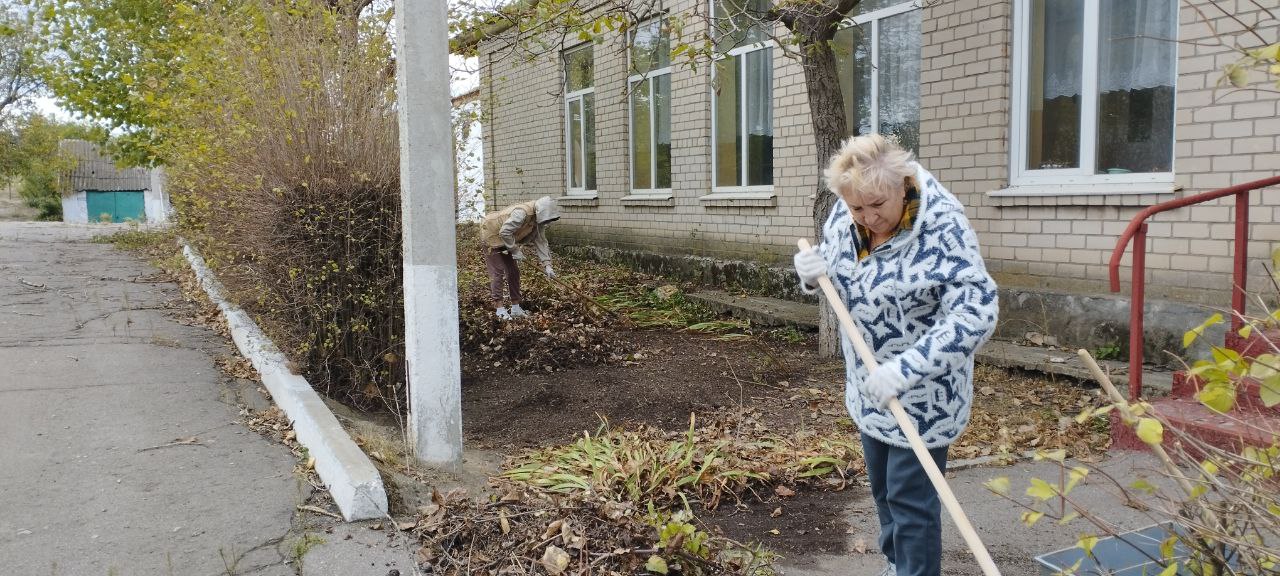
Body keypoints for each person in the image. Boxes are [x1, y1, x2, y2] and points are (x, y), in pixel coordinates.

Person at [792, 134, 998, 576]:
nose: (868, 218)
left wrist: (908, 369)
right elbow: (840, 266)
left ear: (903, 185)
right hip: (869, 385)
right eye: (856, 209)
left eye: (877, 206)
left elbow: (976, 311)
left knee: (911, 501)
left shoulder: (943, 227)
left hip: (924, 395)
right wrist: (813, 273)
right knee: (884, 491)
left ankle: (914, 570)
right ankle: (895, 564)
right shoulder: (849, 208)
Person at [480, 195, 561, 320]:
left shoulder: (537, 220)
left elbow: (541, 241)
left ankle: (515, 308)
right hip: (491, 235)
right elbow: (504, 232)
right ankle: (499, 309)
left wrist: (547, 265)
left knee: (513, 272)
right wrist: (515, 250)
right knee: (497, 272)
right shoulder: (521, 213)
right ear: (540, 212)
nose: (547, 222)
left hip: (507, 239)